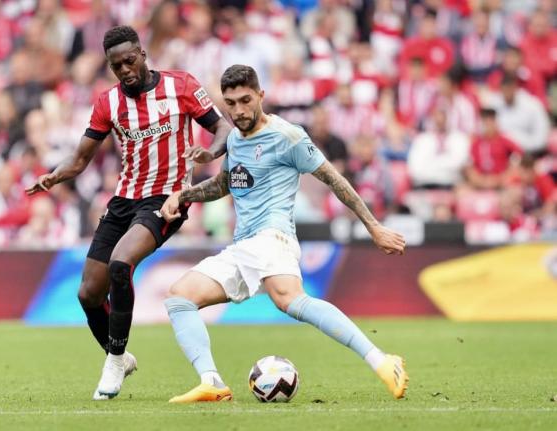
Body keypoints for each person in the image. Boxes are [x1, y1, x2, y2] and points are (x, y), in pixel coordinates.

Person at [160, 65, 408, 403]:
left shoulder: (288, 136)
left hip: (273, 237)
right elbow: (224, 184)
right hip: (243, 245)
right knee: (180, 296)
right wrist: (183, 194)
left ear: (261, 95)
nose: (239, 111)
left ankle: (382, 360)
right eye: (230, 104)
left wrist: (374, 227)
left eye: (246, 100)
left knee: (289, 299)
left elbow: (335, 180)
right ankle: (212, 381)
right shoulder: (234, 139)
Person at [25, 25, 232, 400]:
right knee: (88, 294)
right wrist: (54, 177)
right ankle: (120, 356)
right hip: (123, 201)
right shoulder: (108, 103)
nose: (124, 70)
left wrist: (210, 153)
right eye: (115, 65)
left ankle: (113, 362)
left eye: (129, 61)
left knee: (121, 264)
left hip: (166, 200)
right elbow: (81, 158)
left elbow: (221, 128)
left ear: (142, 54)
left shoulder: (181, 86)